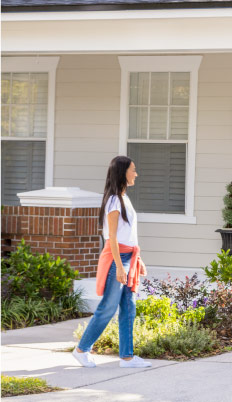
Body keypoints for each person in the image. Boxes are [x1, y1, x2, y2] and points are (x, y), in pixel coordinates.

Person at [72, 156, 150, 369]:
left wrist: (136, 260)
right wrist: (119, 266)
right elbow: (112, 237)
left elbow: (128, 234)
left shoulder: (124, 198)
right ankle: (81, 349)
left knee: (128, 306)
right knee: (108, 307)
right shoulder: (114, 200)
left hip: (129, 258)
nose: (136, 174)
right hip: (119, 259)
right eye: (133, 170)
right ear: (123, 172)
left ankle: (127, 357)